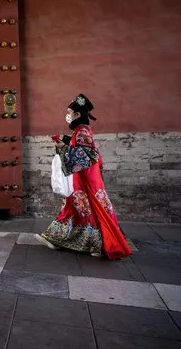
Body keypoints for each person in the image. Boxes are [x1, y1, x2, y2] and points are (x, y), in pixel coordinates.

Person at [34, 94, 132, 259]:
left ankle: (94, 243)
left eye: (69, 112)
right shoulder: (82, 131)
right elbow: (85, 151)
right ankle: (59, 239)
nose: (68, 115)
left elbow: (86, 156)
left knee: (83, 208)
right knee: (81, 209)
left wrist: (63, 149)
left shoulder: (82, 132)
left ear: (77, 115)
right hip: (86, 179)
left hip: (85, 180)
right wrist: (66, 142)